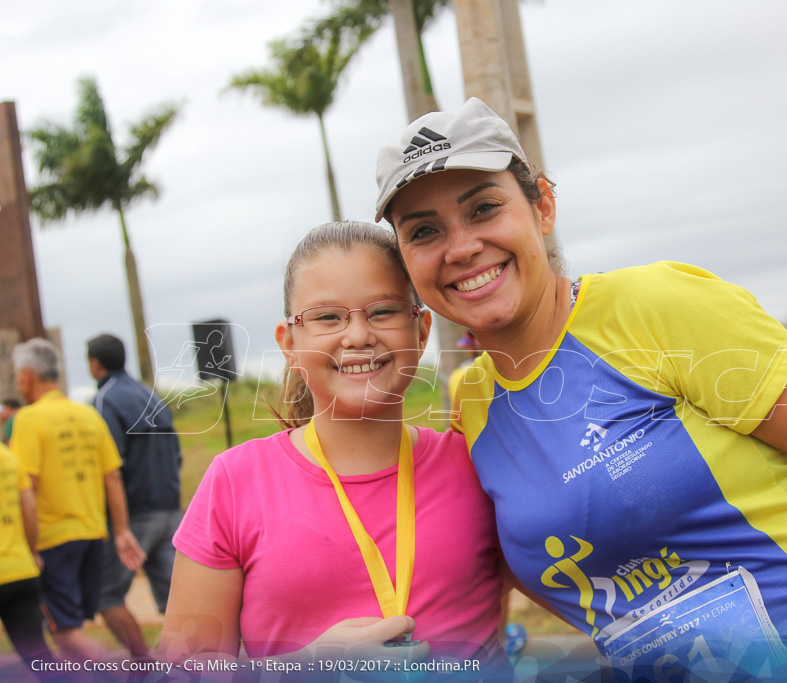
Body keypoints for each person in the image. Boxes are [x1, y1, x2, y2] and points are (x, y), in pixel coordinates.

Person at [373, 98, 787, 680]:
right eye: (424, 232)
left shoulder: (655, 305)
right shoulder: (473, 404)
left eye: (483, 208)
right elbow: (525, 565)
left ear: (543, 207)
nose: (461, 247)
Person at [161, 222, 506, 674]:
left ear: (421, 331)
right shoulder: (236, 482)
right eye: (327, 317)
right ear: (289, 343)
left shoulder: (479, 464)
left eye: (382, 311)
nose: (358, 335)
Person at [9, 338, 145, 662]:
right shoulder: (88, 415)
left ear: (26, 376)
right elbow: (112, 476)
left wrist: (24, 544)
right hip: (92, 536)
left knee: (66, 633)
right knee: (73, 627)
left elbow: (25, 488)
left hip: (53, 539)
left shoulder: (28, 420)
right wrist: (122, 530)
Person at [86, 333, 183, 660]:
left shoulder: (104, 401)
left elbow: (108, 465)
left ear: (94, 364)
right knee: (180, 599)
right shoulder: (151, 395)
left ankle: (143, 666)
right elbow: (177, 455)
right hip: (170, 509)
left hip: (134, 516)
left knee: (106, 596)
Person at [0, 440, 58, 675]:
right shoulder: (8, 456)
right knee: (40, 659)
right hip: (20, 569)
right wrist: (31, 552)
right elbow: (29, 510)